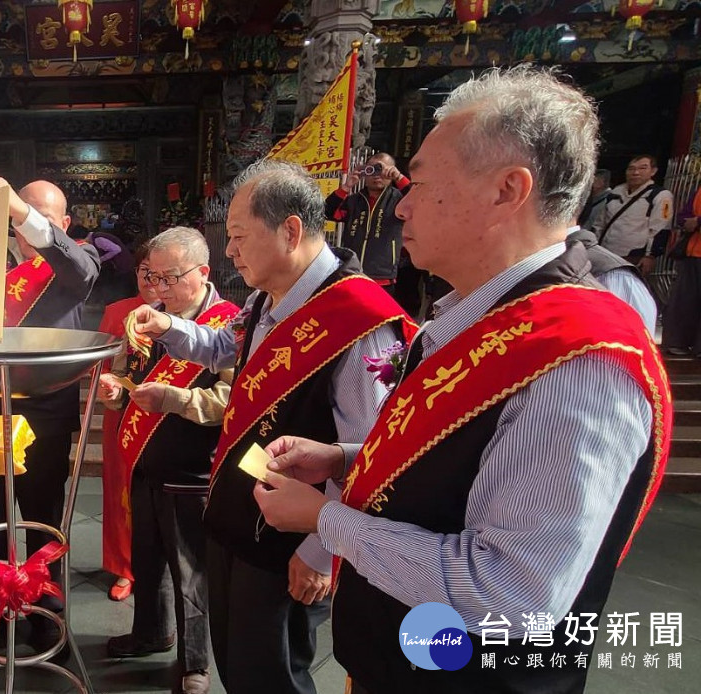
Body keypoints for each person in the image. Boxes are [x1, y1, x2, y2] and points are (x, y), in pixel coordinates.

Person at [253, 66, 671, 693]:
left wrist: (326, 521)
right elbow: (461, 464)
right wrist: (343, 458)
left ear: (508, 190)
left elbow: (513, 594)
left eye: (420, 182)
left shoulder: (578, 358)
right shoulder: (474, 318)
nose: (402, 204)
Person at [127, 160, 413, 694]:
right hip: (240, 511)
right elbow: (221, 347)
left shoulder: (359, 320)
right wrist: (168, 325)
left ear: (290, 231)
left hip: (292, 535)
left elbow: (370, 452)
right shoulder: (265, 298)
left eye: (237, 236)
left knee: (275, 671)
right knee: (240, 661)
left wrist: (319, 552)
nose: (230, 251)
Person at [0, 157, 99, 654]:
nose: (22, 222)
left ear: (65, 224)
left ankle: (44, 614)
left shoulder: (76, 261)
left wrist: (20, 211)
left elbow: (79, 269)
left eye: (37, 215)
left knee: (43, 520)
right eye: (16, 212)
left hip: (46, 415)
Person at [98, 227, 236, 694]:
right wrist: (116, 393)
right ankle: (150, 632)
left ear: (204, 272)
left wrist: (175, 399)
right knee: (147, 557)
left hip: (193, 467)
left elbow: (231, 399)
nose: (159, 289)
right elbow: (127, 375)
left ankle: (195, 662)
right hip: (145, 459)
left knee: (190, 570)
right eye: (152, 277)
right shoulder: (148, 317)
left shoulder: (230, 323)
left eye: (171, 278)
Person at [96, 246, 155, 603]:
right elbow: (100, 364)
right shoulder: (117, 313)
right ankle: (122, 566)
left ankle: (155, 566)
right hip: (121, 414)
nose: (151, 280)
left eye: (160, 272)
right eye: (144, 270)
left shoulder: (186, 315)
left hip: (164, 416)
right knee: (119, 493)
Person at [324, 151, 411, 293]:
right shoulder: (353, 201)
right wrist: (347, 186)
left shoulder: (399, 200)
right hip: (352, 275)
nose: (377, 174)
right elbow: (327, 212)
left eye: (382, 169)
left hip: (383, 278)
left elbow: (419, 200)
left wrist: (399, 177)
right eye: (372, 169)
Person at [593, 155, 674, 275]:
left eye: (642, 168)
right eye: (631, 169)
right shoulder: (616, 192)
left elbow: (660, 228)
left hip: (633, 256)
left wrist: (650, 256)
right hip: (605, 252)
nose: (635, 172)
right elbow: (600, 223)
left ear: (653, 171)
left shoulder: (661, 196)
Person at [566, 225, 656, 332]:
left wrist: (649, 254)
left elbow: (638, 341)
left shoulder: (619, 277)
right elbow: (599, 224)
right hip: (608, 247)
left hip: (631, 254)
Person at [663, 187, 701, 356]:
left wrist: (698, 222)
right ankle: (678, 343)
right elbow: (682, 216)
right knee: (684, 300)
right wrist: (687, 221)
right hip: (692, 254)